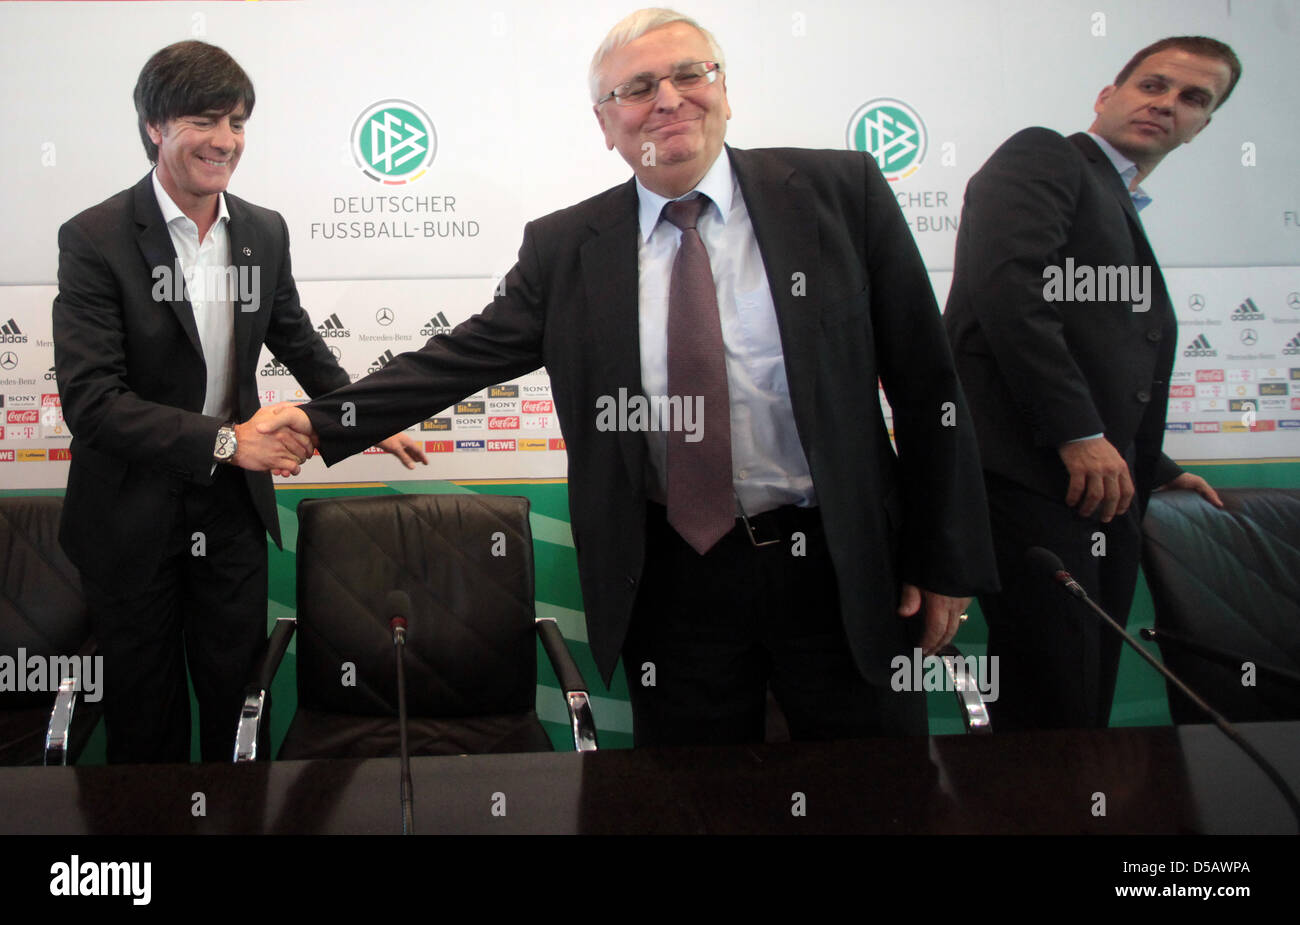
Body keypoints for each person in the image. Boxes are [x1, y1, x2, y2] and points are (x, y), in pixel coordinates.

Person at [264, 8, 996, 745]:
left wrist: (946, 556)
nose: (669, 99)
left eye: (689, 74)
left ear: (725, 90)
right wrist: (318, 420)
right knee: (692, 803)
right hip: (674, 583)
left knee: (870, 797)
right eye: (639, 87)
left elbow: (929, 384)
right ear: (606, 123)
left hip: (841, 566)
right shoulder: (568, 248)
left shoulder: (841, 193)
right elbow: (461, 358)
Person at [53, 40, 425, 763]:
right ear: (155, 126)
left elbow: (299, 342)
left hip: (229, 513)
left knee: (236, 701)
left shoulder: (262, 230)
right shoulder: (94, 238)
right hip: (129, 514)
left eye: (237, 122)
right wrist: (229, 441)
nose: (225, 140)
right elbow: (92, 402)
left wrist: (364, 420)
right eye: (203, 120)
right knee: (145, 715)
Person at [943, 36, 1238, 731]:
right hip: (1034, 478)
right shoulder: (1047, 155)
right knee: (1058, 705)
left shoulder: (1115, 195)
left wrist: (1153, 465)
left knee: (1082, 692)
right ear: (1108, 97)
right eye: (1153, 85)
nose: (1167, 105)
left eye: (1194, 98)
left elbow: (1099, 350)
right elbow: (1009, 290)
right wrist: (1079, 433)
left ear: (1206, 125)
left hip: (1095, 485)